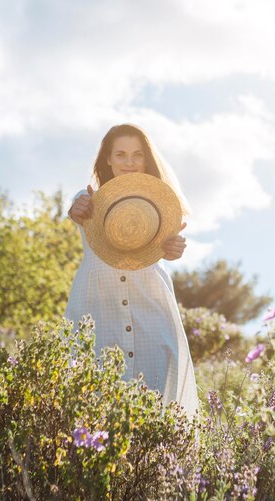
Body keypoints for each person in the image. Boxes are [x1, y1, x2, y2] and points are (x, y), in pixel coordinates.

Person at [64, 124, 199, 419]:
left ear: (147, 159)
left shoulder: (161, 206)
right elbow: (77, 209)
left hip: (151, 305)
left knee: (159, 390)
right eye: (121, 154)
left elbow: (168, 248)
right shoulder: (88, 199)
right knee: (92, 391)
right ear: (108, 160)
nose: (129, 162)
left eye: (137, 155)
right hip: (98, 307)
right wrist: (78, 207)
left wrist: (174, 249)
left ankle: (159, 461)